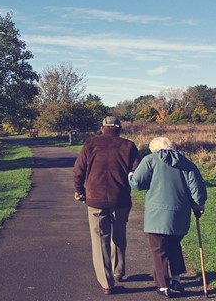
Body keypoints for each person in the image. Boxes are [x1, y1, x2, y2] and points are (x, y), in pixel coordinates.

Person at [128, 136, 207, 298]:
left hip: (156, 215)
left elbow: (137, 183)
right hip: (180, 214)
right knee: (174, 245)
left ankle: (164, 286)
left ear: (154, 149)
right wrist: (198, 204)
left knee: (159, 250)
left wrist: (130, 176)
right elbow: (197, 189)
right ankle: (176, 279)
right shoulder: (187, 163)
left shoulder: (150, 160)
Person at [73, 116, 140, 295]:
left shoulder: (90, 144)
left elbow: (78, 170)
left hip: (95, 198)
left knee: (100, 240)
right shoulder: (129, 146)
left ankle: (106, 282)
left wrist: (79, 190)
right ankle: (119, 271)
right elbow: (136, 172)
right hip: (121, 199)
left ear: (102, 128)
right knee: (119, 235)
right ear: (118, 129)